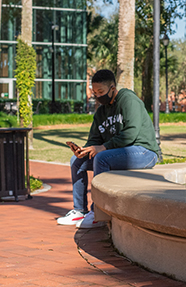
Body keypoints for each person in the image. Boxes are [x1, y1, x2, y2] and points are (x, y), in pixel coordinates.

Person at [57, 69, 160, 228]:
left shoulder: (128, 100)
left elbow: (130, 134)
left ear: (112, 88)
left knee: (102, 157)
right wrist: (83, 151)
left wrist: (103, 147)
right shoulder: (101, 112)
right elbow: (94, 140)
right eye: (95, 92)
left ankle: (98, 213)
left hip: (144, 151)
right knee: (76, 161)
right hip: (118, 152)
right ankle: (79, 211)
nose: (97, 96)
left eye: (101, 92)